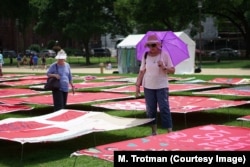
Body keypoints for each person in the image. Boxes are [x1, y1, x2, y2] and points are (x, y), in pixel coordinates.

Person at [135, 34, 175, 135]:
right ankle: (154, 131)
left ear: (158, 45)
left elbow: (173, 70)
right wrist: (137, 86)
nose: (151, 48)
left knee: (164, 108)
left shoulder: (164, 54)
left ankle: (169, 131)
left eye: (153, 45)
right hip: (148, 86)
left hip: (161, 86)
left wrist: (164, 67)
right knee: (151, 110)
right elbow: (141, 71)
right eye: (149, 45)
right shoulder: (145, 55)